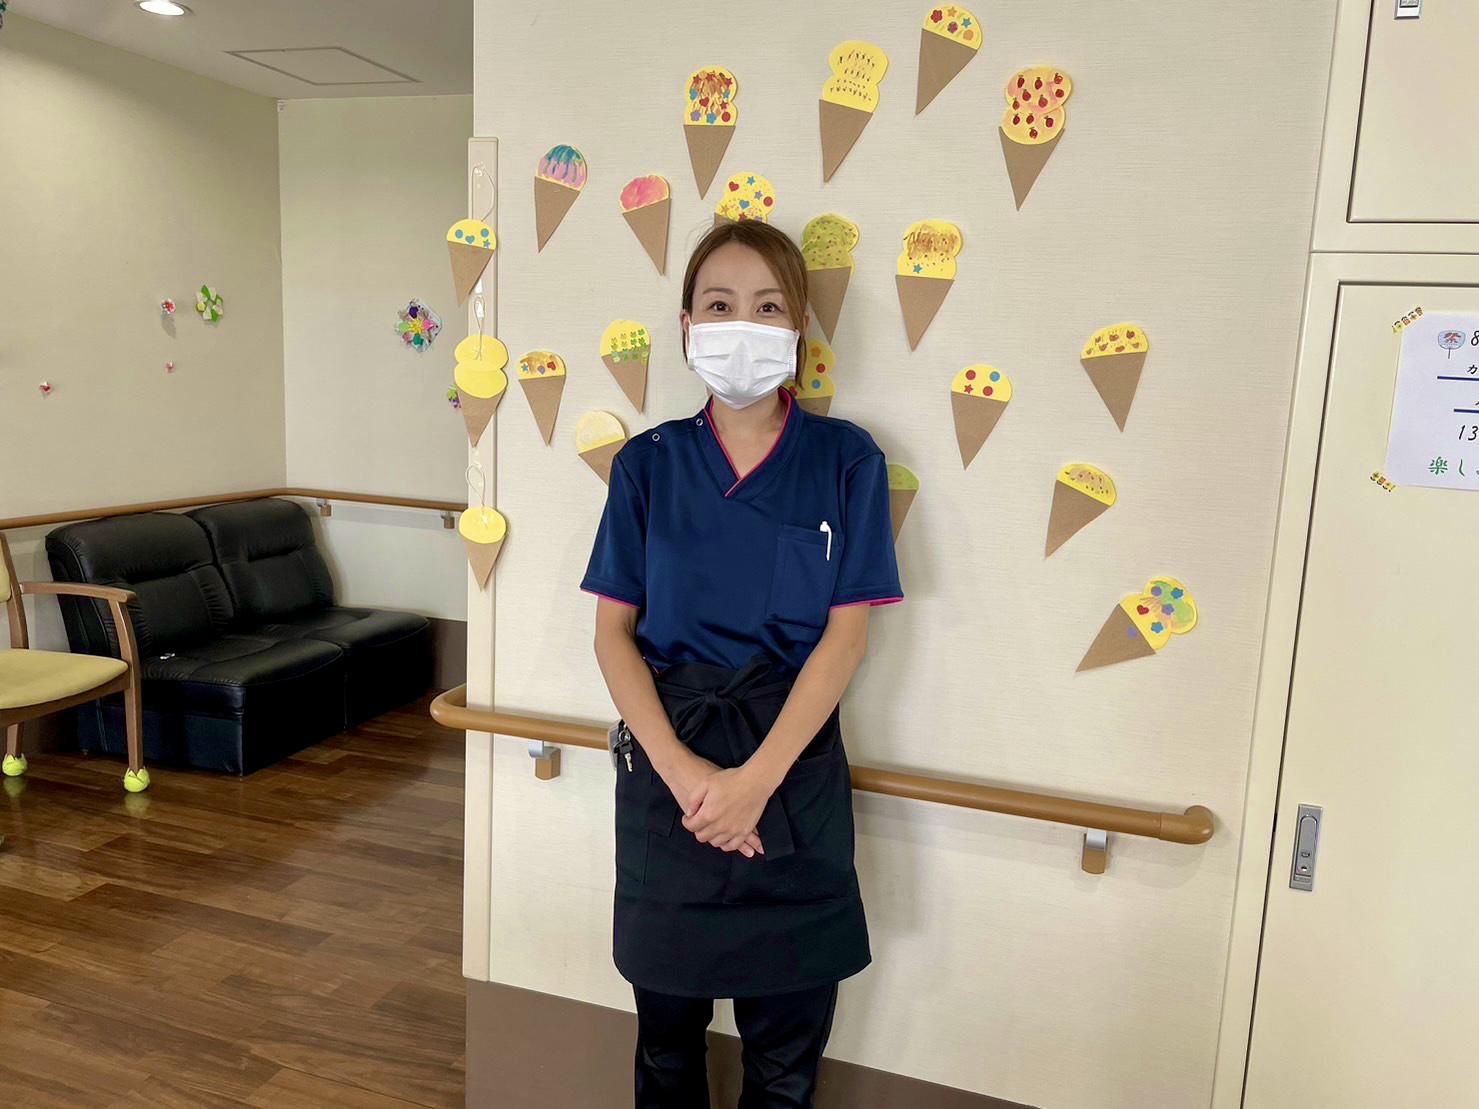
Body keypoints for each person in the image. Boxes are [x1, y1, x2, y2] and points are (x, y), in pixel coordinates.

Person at [581, 219, 903, 1109]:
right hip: (668, 774)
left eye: (766, 306)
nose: (742, 325)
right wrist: (689, 777)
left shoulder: (846, 459)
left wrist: (755, 783)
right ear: (687, 326)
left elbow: (845, 637)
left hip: (791, 774)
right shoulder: (647, 464)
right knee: (665, 1052)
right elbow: (611, 635)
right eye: (719, 305)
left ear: (796, 326)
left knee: (785, 1063)